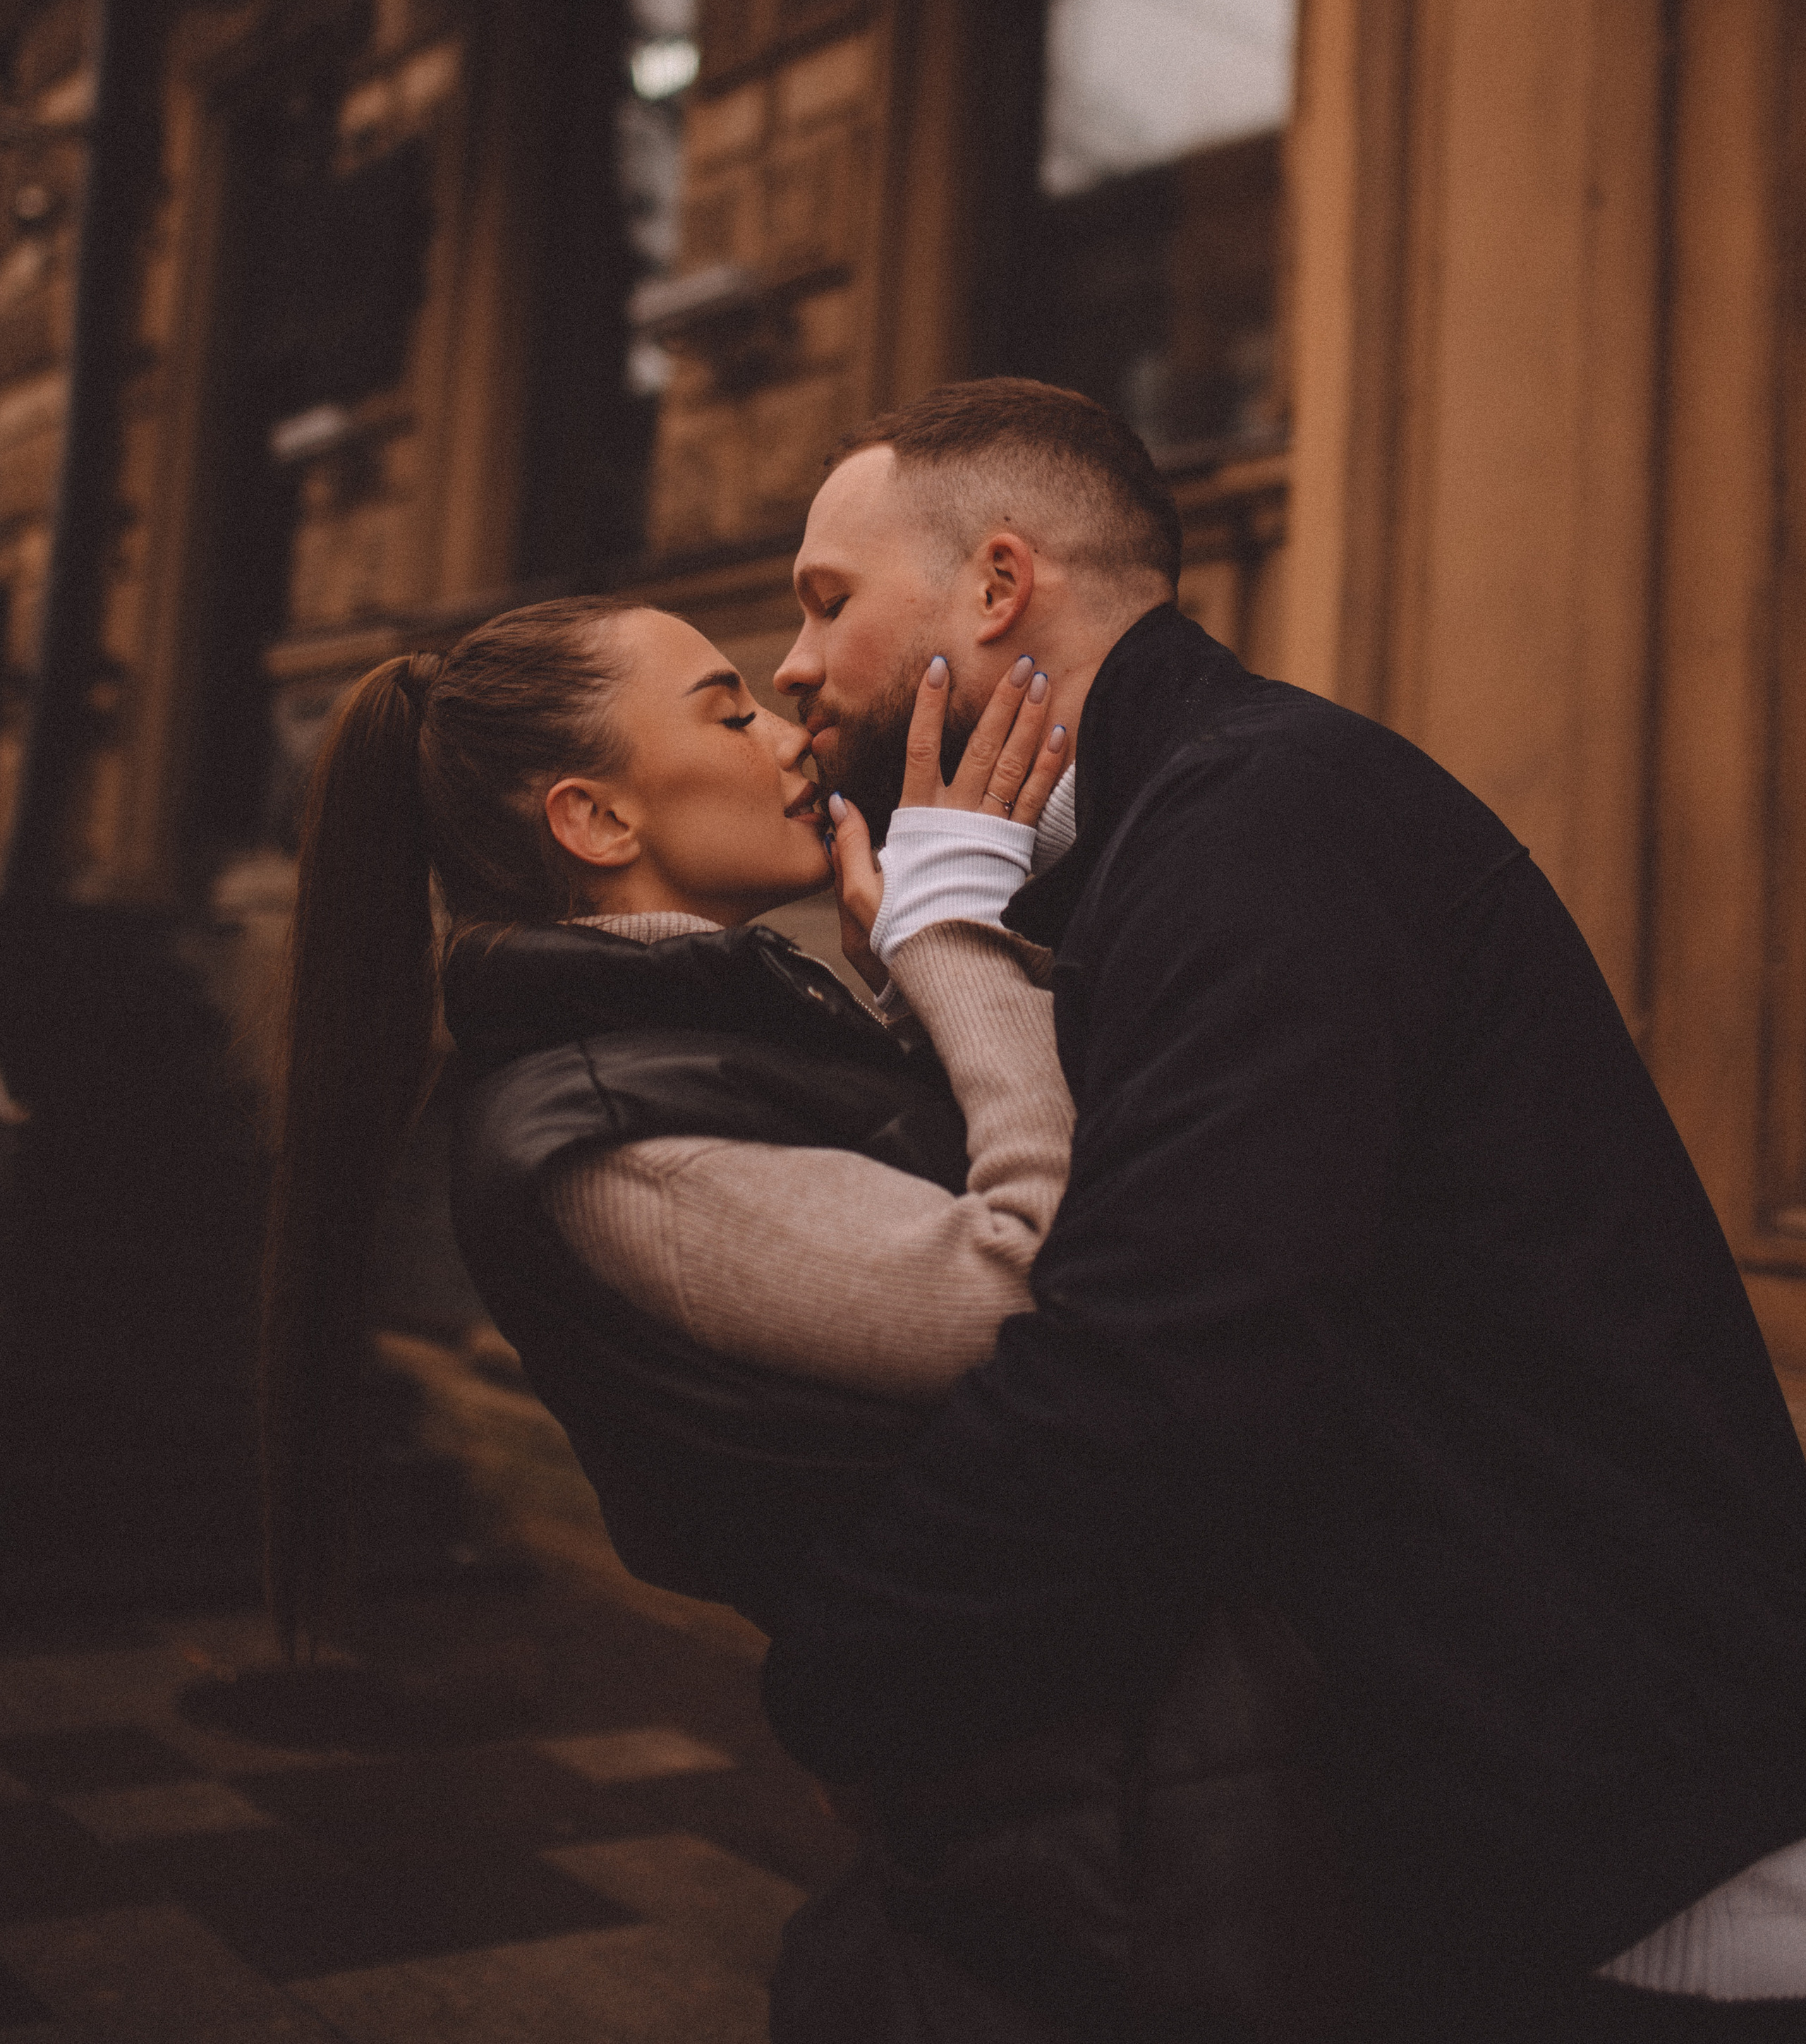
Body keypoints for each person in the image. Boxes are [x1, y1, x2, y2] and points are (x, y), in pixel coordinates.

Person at [760, 375, 1806, 2043]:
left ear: (997, 586)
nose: (793, 666)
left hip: (1638, 1857)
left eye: (826, 601)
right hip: (1489, 1810)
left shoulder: (1263, 819)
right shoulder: (1142, 845)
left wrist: (843, 1677)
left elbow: (1162, 1364)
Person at [259, 594, 1353, 2043]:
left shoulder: (694, 1034)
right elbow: (1029, 1291)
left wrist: (911, 979)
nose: (792, 737)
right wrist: (950, 940)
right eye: (727, 711)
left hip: (1114, 1758)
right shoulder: (610, 1135)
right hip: (1095, 1820)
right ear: (592, 820)